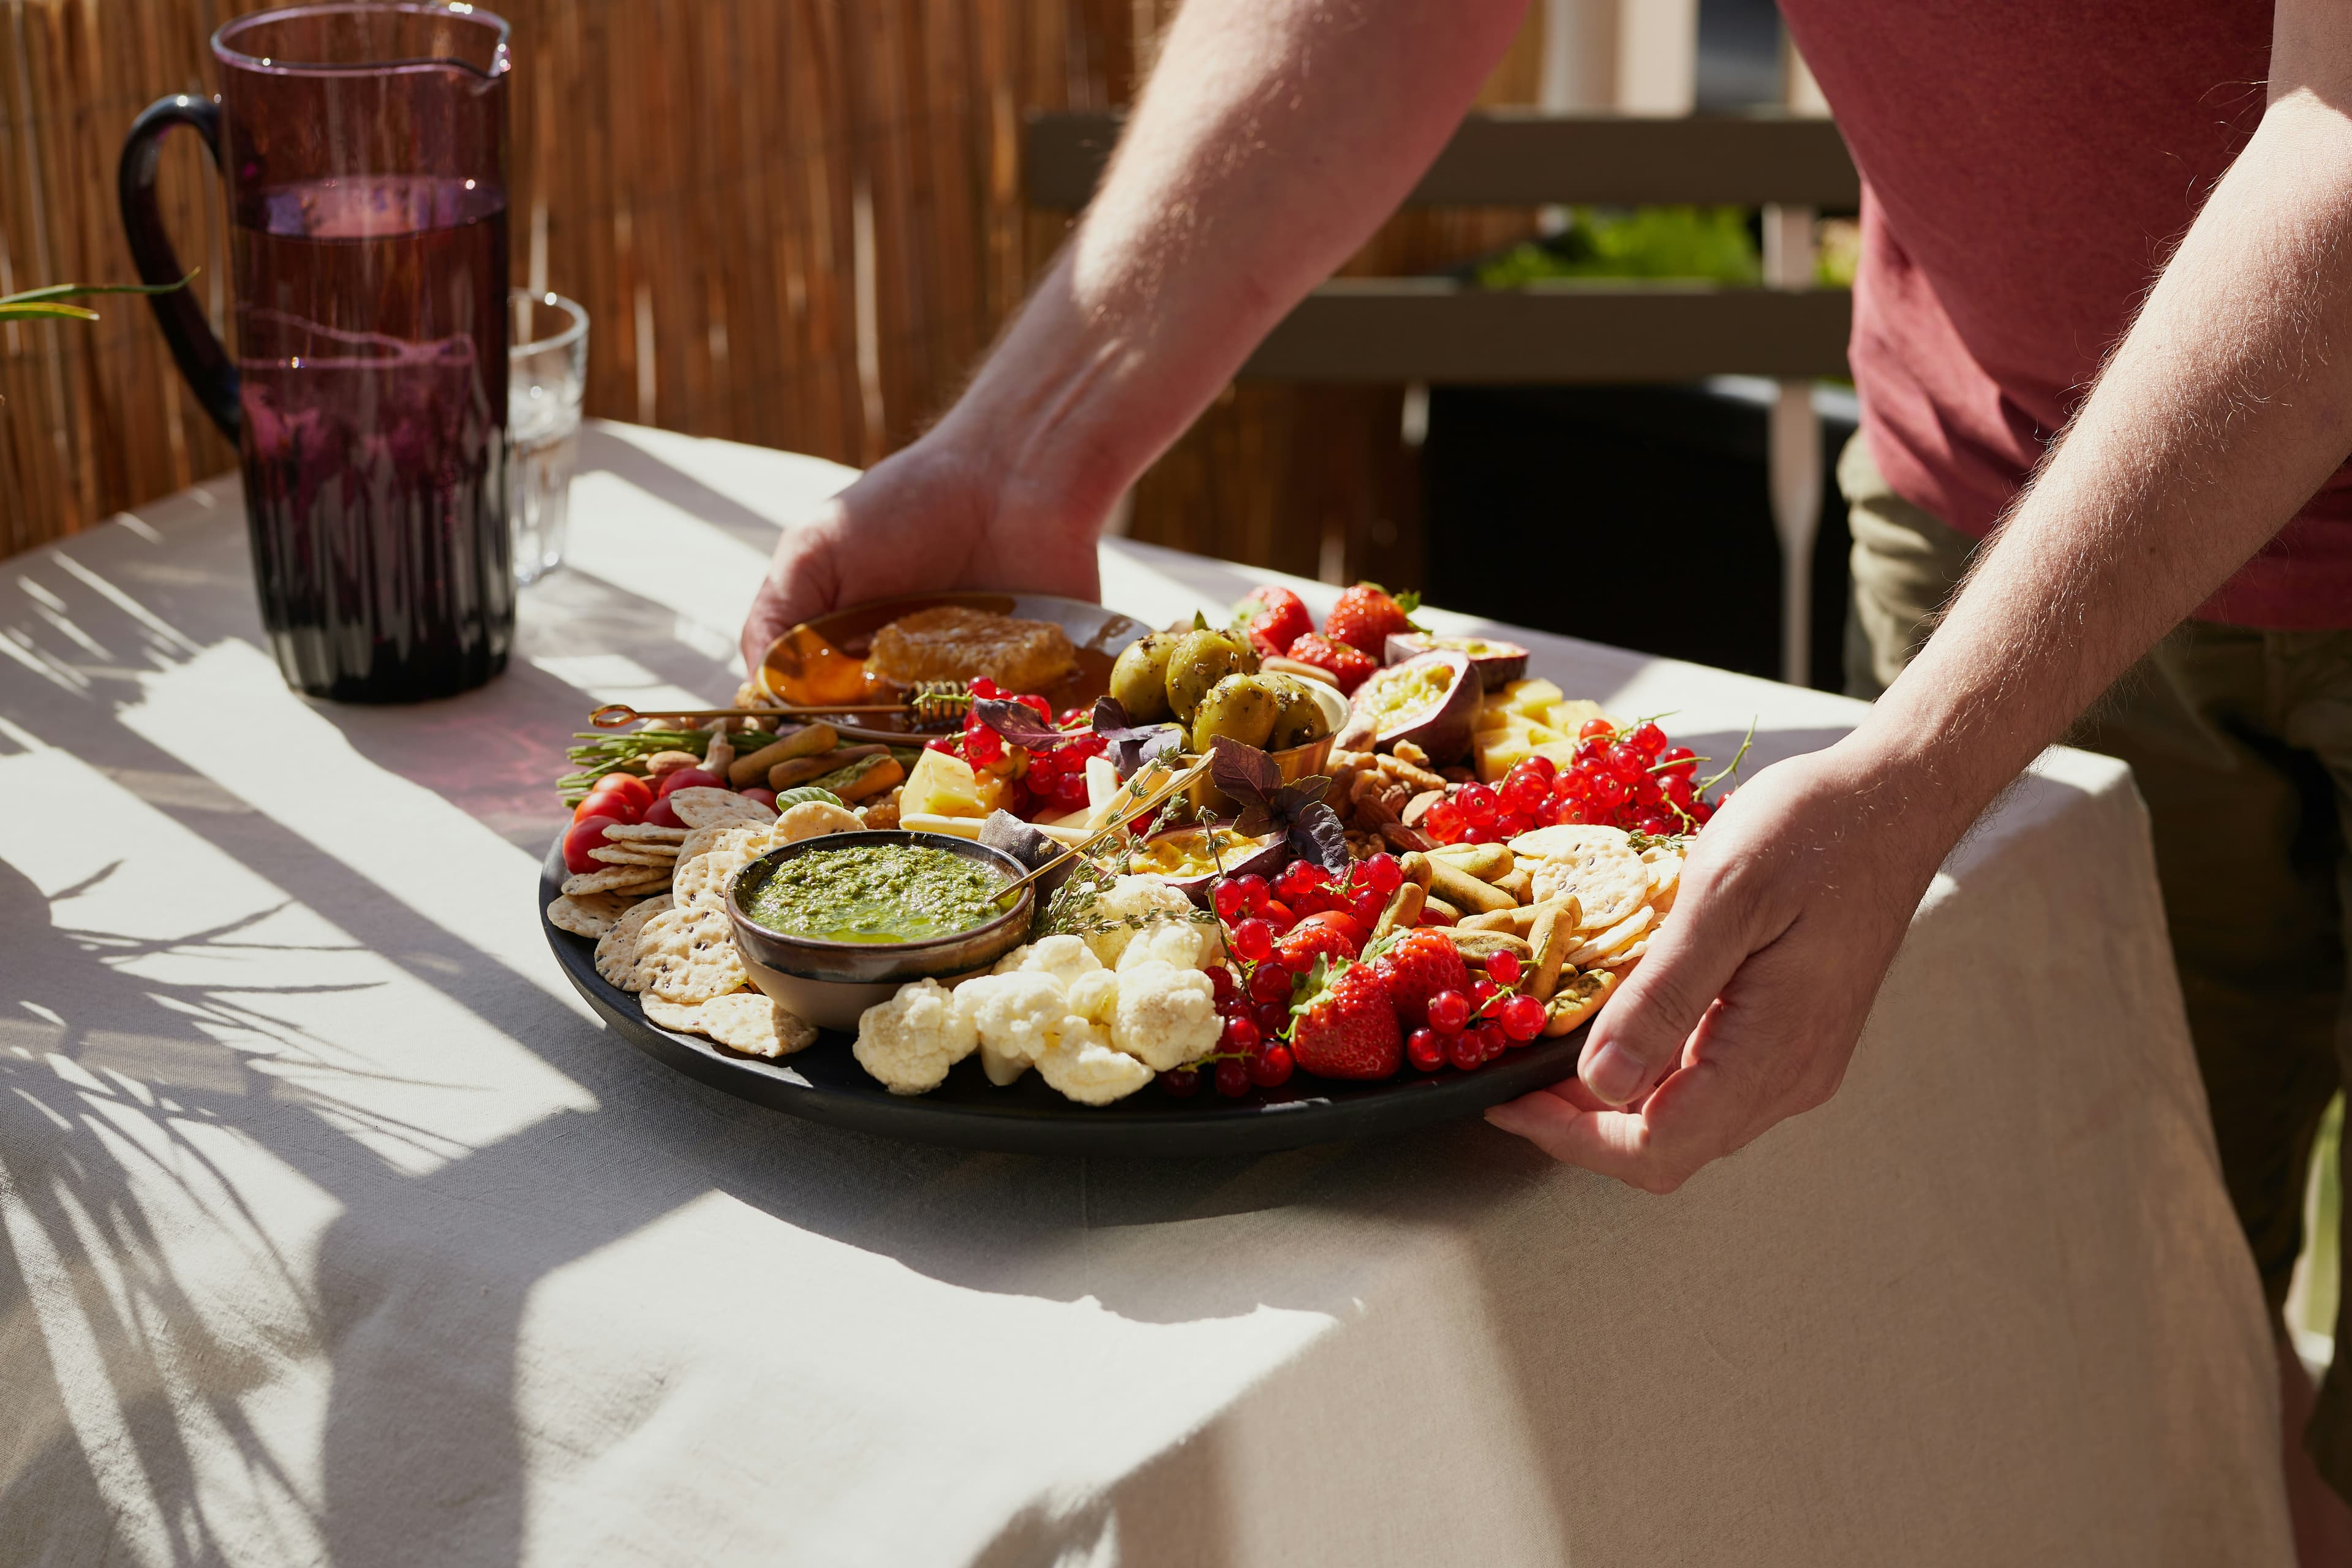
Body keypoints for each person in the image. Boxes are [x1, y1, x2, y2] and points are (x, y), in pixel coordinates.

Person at [740, 1, 2352, 1549]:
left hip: (2034, 591)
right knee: (2105, 1330)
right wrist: (1038, 446)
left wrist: (1925, 758)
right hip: (2009, 521)